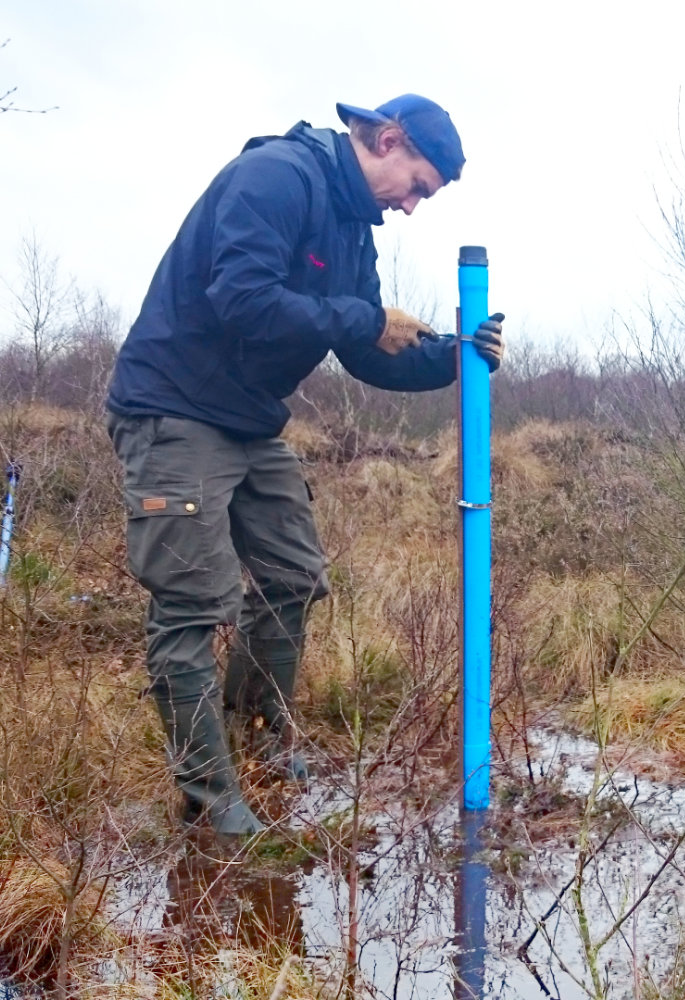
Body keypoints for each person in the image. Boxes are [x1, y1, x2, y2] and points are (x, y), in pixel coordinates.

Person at [105, 94, 503, 837]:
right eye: (418, 185)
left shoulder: (354, 229)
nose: (414, 206)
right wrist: (365, 318)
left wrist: (454, 360)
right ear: (387, 139)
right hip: (175, 409)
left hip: (248, 419)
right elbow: (244, 300)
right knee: (191, 603)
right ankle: (209, 796)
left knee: (294, 574)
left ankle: (255, 739)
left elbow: (366, 348)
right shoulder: (278, 177)